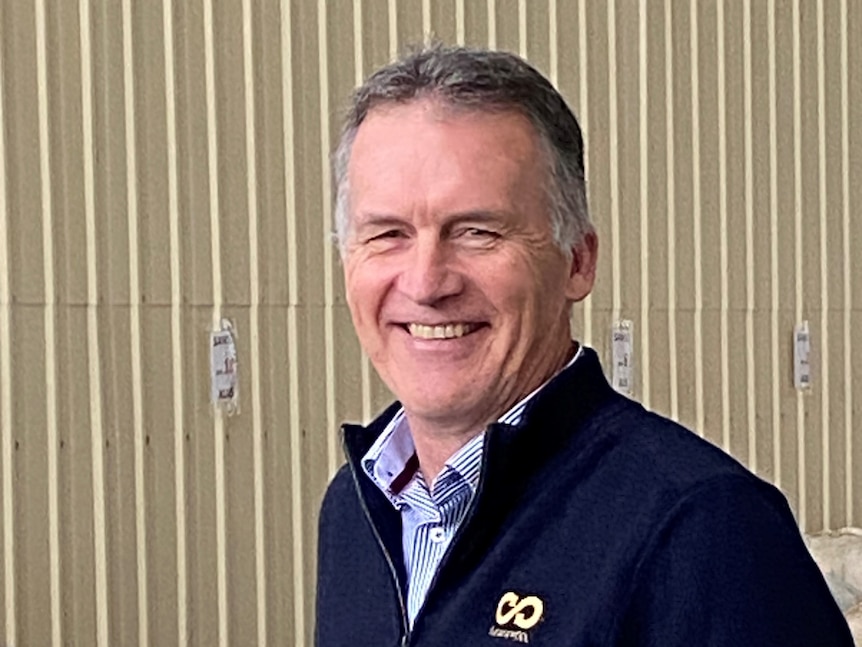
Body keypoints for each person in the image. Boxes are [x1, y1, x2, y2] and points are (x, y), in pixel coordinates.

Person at [315, 44, 853, 646]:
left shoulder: (701, 529)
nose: (425, 281)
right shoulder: (357, 513)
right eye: (387, 235)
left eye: (476, 232)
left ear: (577, 260)